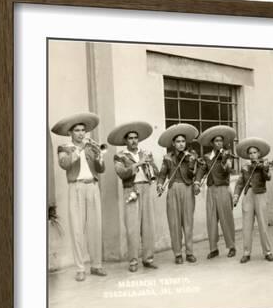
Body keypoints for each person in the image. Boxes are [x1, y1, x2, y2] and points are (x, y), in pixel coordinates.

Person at [51, 112, 106, 281]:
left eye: (83, 130)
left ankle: (96, 265)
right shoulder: (64, 148)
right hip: (76, 187)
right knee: (77, 228)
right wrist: (79, 150)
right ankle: (80, 268)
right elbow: (65, 164)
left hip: (93, 186)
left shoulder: (91, 147)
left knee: (96, 227)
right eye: (77, 130)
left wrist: (100, 156)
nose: (81, 133)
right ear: (70, 133)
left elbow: (101, 169)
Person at [108, 121, 160, 272]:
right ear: (125, 141)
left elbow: (155, 173)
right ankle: (133, 261)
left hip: (146, 187)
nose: (133, 140)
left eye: (135, 137)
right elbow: (122, 173)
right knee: (132, 228)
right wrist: (137, 165)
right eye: (130, 138)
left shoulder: (145, 153)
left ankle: (148, 259)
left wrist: (150, 164)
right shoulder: (119, 156)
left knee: (148, 226)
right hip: (131, 189)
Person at [157, 123, 199, 264]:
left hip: (187, 188)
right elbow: (162, 174)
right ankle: (177, 254)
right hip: (173, 188)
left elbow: (192, 174)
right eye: (178, 142)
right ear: (173, 144)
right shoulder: (168, 158)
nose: (181, 144)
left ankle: (189, 252)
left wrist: (191, 162)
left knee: (188, 222)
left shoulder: (192, 155)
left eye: (183, 141)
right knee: (174, 223)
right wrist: (159, 185)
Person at [194, 125, 237, 259]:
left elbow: (228, 170)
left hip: (223, 189)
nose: (219, 143)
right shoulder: (207, 157)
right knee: (211, 220)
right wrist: (197, 182)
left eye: (221, 141)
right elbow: (202, 170)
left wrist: (226, 161)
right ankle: (213, 248)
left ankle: (231, 246)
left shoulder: (227, 155)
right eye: (216, 141)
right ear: (212, 143)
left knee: (226, 219)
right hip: (211, 190)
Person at [233, 137, 273, 264]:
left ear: (259, 153)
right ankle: (246, 252)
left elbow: (268, 178)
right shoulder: (245, 167)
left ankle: (267, 252)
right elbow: (240, 183)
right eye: (250, 153)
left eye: (255, 153)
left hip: (260, 195)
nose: (252, 155)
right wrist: (236, 196)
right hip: (248, 195)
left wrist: (265, 168)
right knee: (246, 226)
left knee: (263, 224)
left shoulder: (263, 165)